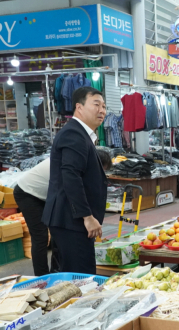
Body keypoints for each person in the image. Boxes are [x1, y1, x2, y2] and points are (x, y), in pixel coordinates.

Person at [15, 149, 112, 276]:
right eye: (101, 170)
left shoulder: (80, 162)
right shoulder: (71, 165)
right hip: (27, 193)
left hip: (47, 195)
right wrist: (87, 218)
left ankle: (57, 271)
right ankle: (42, 278)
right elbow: (73, 194)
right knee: (41, 237)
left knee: (58, 231)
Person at [42, 87, 108, 275]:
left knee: (71, 273)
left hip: (70, 219)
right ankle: (80, 305)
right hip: (71, 220)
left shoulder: (80, 134)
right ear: (79, 107)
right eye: (96, 104)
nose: (102, 110)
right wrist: (87, 217)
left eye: (104, 106)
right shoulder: (74, 134)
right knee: (82, 276)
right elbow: (70, 176)